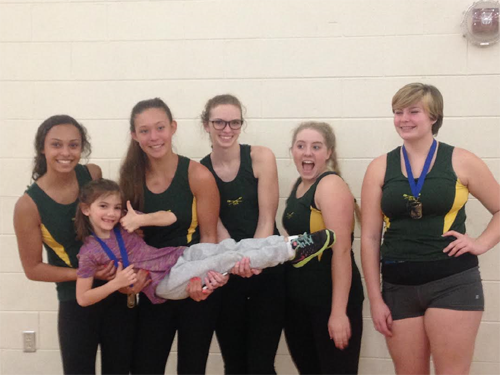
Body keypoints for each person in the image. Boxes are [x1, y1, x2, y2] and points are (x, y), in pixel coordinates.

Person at [361, 83, 500, 375]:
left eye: (414, 111)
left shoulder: (461, 160)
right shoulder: (379, 167)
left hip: (452, 281)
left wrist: (481, 243)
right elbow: (371, 238)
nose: (404, 119)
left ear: (434, 116)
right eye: (398, 112)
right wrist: (375, 298)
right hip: (398, 285)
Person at [75, 178, 334, 305]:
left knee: (228, 247)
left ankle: (294, 242)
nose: (111, 213)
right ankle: (291, 251)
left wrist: (140, 220)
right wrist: (117, 284)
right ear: (86, 209)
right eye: (103, 206)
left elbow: (171, 217)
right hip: (164, 283)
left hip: (175, 257)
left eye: (116, 207)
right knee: (225, 260)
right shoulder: (89, 252)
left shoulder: (127, 224)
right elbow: (83, 298)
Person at [13, 115, 139, 375]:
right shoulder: (28, 205)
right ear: (42, 148)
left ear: (82, 148)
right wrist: (86, 274)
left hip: (118, 294)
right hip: (76, 302)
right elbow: (33, 268)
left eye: (73, 145)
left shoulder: (91, 174)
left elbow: (113, 223)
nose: (66, 153)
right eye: (56, 145)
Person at [119, 97, 226, 375]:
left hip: (194, 288)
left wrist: (199, 280)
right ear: (134, 135)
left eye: (160, 128)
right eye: (144, 130)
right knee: (144, 367)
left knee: (192, 368)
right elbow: (129, 241)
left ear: (173, 128)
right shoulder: (130, 179)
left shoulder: (197, 175)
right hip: (155, 289)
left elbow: (209, 238)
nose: (154, 137)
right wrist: (134, 277)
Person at [199, 94, 286, 375]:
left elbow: (266, 219)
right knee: (234, 365)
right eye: (219, 122)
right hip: (227, 272)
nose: (227, 129)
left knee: (261, 364)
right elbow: (215, 226)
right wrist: (234, 261)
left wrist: (254, 260)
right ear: (206, 125)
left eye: (234, 122)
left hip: (266, 269)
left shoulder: (261, 157)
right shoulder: (200, 171)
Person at [282, 121, 364, 375]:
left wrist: (338, 313)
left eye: (316, 146)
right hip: (299, 300)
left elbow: (341, 252)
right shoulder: (299, 185)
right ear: (292, 151)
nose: (307, 152)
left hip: (329, 300)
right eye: (301, 146)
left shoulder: (329, 185)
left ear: (328, 152)